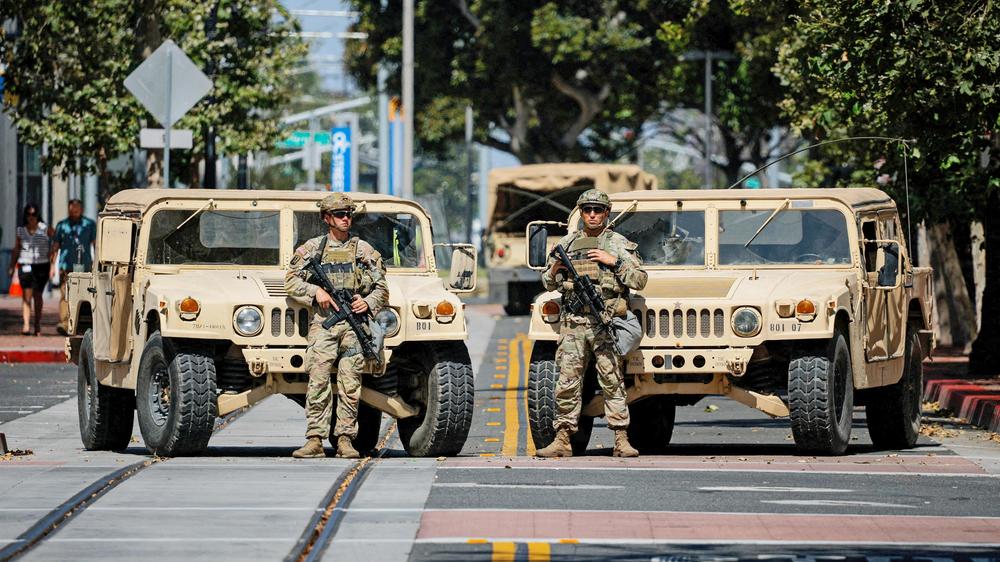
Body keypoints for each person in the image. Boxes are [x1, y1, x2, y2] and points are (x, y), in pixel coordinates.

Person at [535, 189, 647, 458]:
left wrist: (614, 262)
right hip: (573, 323)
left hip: (604, 321)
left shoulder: (619, 244)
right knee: (567, 382)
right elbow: (547, 283)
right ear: (581, 213)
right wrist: (554, 270)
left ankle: (621, 439)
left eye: (598, 210)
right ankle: (562, 439)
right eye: (587, 210)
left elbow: (640, 280)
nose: (593, 215)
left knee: (612, 380)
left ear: (607, 213)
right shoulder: (568, 244)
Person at [285, 193, 388, 459]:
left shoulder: (362, 250)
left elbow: (382, 289)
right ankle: (315, 439)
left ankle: (344, 439)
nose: (345, 219)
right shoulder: (312, 249)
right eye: (340, 214)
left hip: (354, 327)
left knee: (350, 384)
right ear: (326, 218)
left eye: (348, 214)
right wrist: (314, 292)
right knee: (317, 381)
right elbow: (291, 281)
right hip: (325, 324)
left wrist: (367, 302)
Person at [50, 199, 97, 335]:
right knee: (65, 294)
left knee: (84, 295)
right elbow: (55, 247)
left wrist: (96, 264)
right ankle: (65, 323)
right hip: (67, 266)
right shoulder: (62, 226)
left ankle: (82, 323)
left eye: (77, 209)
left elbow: (95, 244)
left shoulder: (89, 225)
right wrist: (52, 267)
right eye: (72, 209)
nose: (74, 212)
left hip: (85, 266)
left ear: (81, 209)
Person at [8, 204, 54, 336]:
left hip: (41, 266)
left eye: (34, 214)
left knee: (38, 295)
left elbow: (56, 240)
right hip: (25, 264)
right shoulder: (21, 230)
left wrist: (52, 260)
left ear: (38, 215)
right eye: (29, 214)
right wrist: (12, 266)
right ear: (25, 216)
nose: (31, 217)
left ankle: (37, 324)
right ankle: (26, 325)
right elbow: (16, 249)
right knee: (26, 296)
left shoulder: (44, 228)